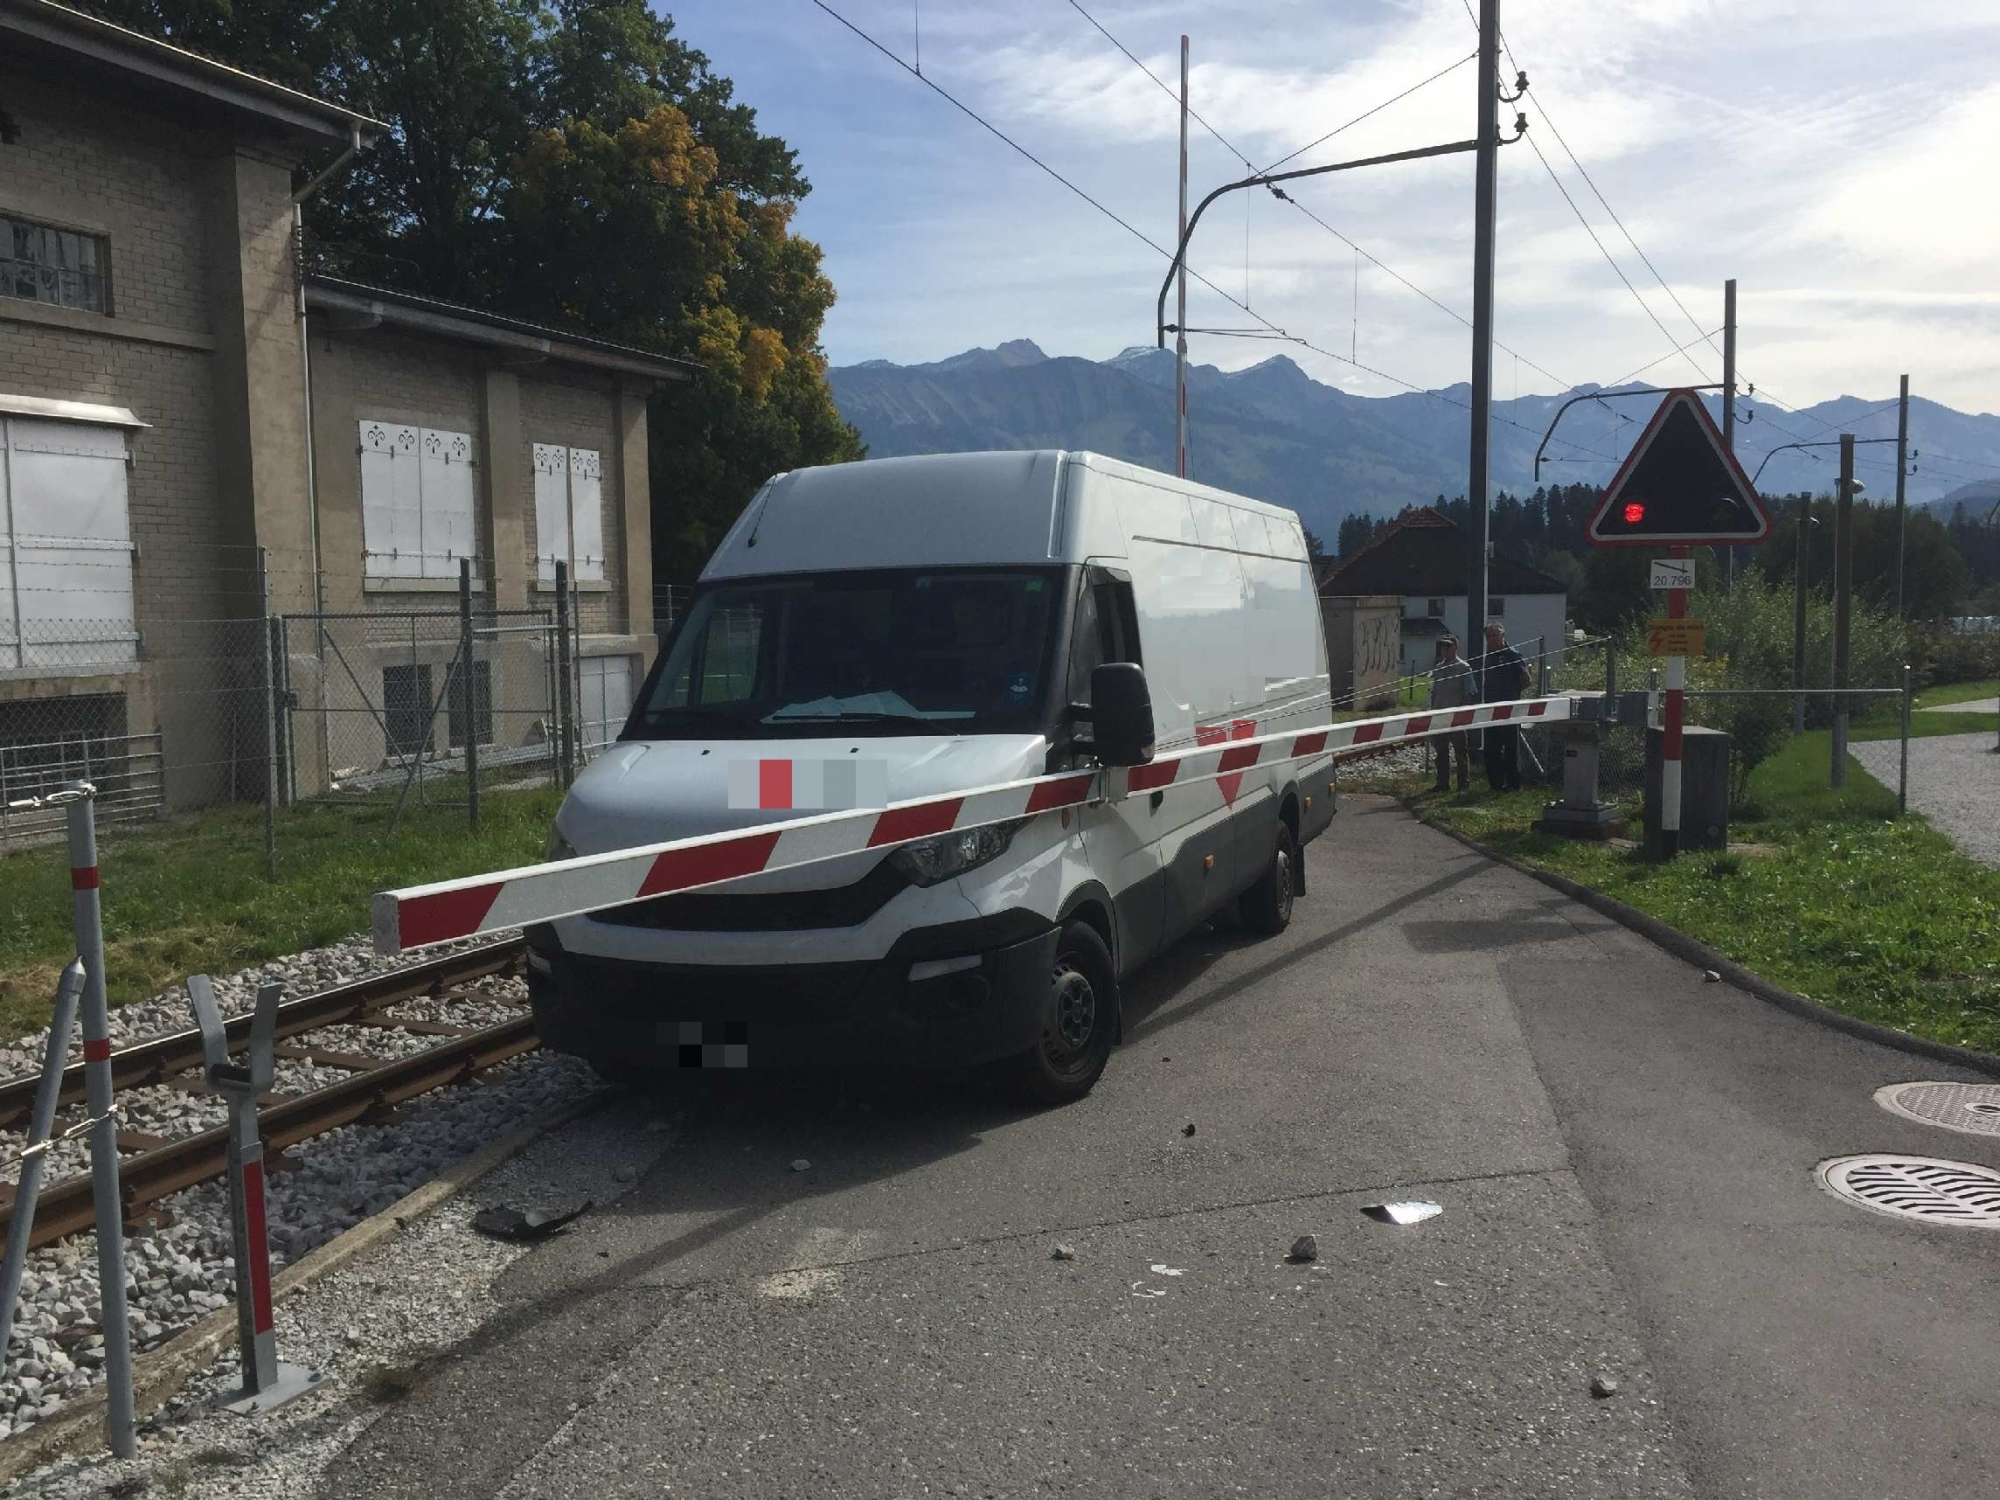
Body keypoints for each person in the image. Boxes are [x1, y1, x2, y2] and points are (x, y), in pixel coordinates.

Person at [1481, 622, 1530, 791]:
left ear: (1503, 636)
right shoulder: (1489, 657)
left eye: (1495, 635)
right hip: (1490, 709)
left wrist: (1511, 695)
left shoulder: (1512, 655)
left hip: (1509, 709)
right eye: (1489, 636)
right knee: (1490, 748)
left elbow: (1525, 678)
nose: (1492, 639)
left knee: (1510, 748)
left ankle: (1513, 784)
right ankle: (1496, 783)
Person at [1426, 635, 1476, 791]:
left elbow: (1470, 692)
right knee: (1441, 752)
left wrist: (1461, 713)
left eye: (1448, 646)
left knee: (1460, 751)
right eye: (1443, 646)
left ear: (1455, 648)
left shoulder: (1464, 668)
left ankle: (1463, 784)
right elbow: (1434, 691)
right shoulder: (1439, 667)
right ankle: (1442, 783)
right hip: (1439, 715)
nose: (1445, 649)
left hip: (1456, 716)